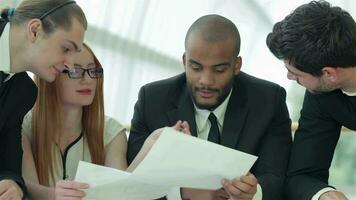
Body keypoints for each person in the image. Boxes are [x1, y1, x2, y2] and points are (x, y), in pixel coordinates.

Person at [127, 14, 292, 200]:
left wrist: (254, 193)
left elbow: (277, 177)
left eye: (219, 70)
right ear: (184, 61)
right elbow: (133, 184)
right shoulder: (153, 100)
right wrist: (182, 193)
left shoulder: (269, 100)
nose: (206, 81)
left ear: (236, 65)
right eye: (196, 68)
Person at [266, 1, 356, 200]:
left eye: (295, 73)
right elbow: (302, 173)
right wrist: (324, 195)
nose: (290, 78)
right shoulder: (321, 93)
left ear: (329, 73)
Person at [0, 0, 86, 199]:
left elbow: (8, 165)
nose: (71, 66)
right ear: (35, 30)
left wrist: (12, 185)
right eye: (66, 49)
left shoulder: (24, 93)